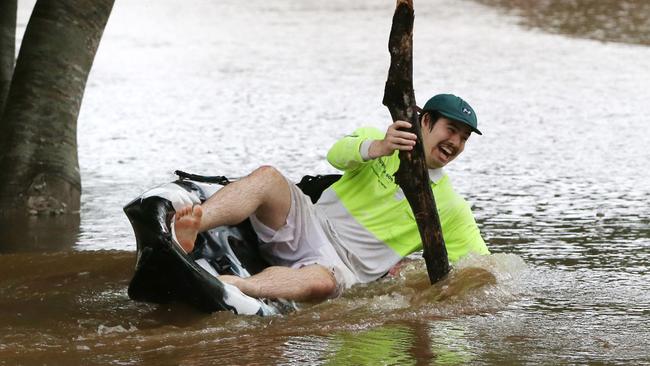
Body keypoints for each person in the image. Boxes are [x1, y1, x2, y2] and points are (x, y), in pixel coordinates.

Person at [174, 93, 490, 302]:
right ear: (425, 121)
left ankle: (235, 287)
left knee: (322, 283)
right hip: (308, 222)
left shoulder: (452, 206)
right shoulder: (381, 141)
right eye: (451, 129)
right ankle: (191, 227)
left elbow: (485, 265)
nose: (456, 142)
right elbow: (336, 155)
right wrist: (379, 147)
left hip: (337, 266)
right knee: (269, 176)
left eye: (463, 138)